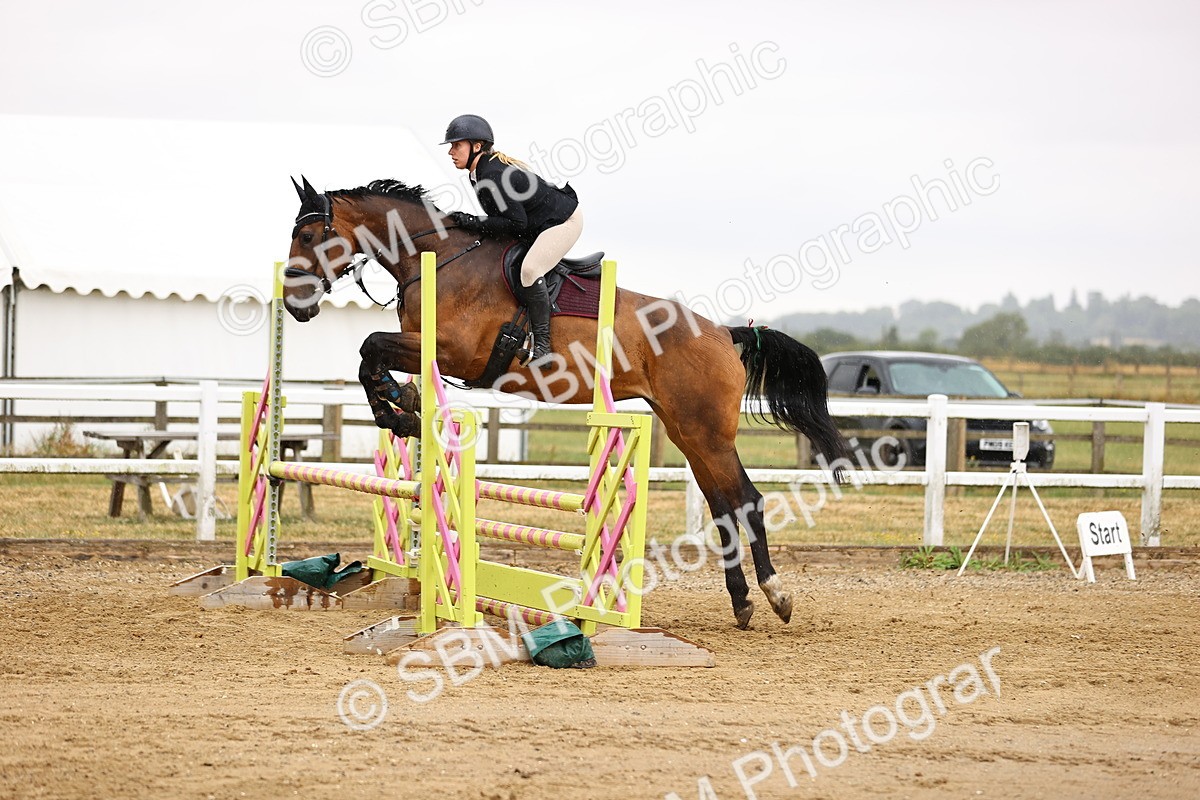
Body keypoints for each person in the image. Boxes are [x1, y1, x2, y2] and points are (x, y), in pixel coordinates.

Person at [441, 114, 582, 364]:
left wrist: (472, 222)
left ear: (477, 146)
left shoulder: (491, 174)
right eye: (451, 146)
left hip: (563, 222)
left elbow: (516, 224)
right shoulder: (481, 172)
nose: (451, 152)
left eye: (456, 145)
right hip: (536, 225)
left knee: (530, 269)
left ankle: (543, 347)